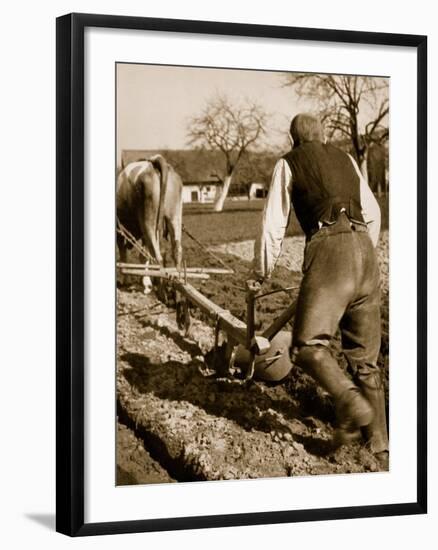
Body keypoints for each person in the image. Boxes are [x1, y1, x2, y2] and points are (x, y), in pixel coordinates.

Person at [251, 113, 388, 465]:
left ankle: (350, 400)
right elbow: (372, 212)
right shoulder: (345, 159)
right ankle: (380, 447)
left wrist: (262, 273)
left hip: (330, 251)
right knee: (366, 362)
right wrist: (362, 252)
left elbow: (272, 225)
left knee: (308, 347)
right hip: (367, 255)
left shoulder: (289, 162)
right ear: (323, 135)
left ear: (293, 139)